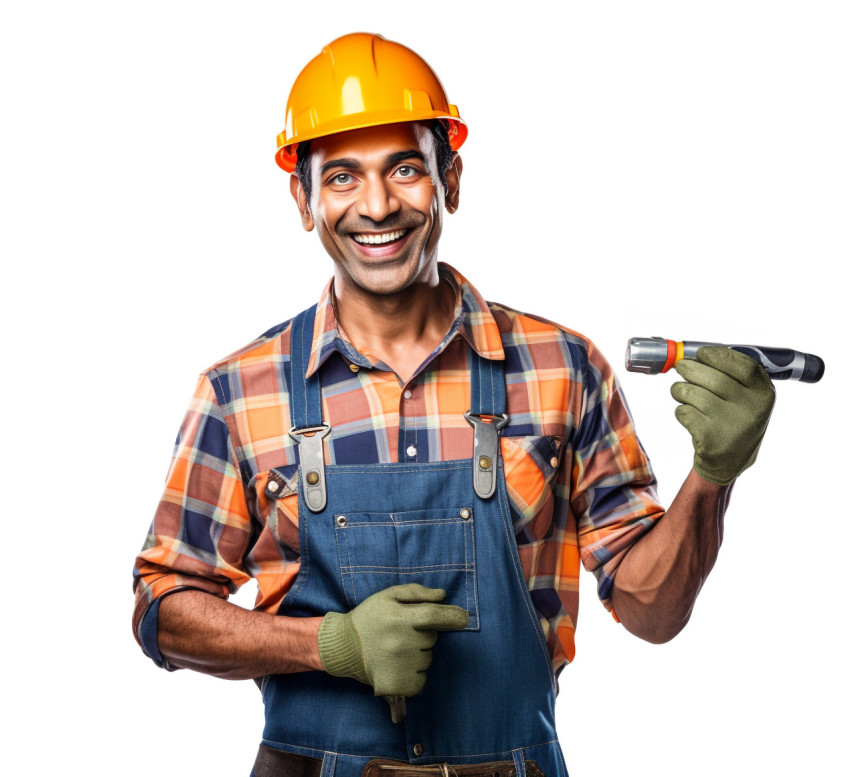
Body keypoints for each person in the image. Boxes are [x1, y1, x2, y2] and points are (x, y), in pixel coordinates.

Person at [132, 32, 775, 777]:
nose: (376, 205)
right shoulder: (242, 390)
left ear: (452, 181)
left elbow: (652, 612)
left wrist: (713, 475)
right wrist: (326, 644)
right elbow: (161, 607)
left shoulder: (563, 369)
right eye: (341, 177)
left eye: (406, 168)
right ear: (303, 199)